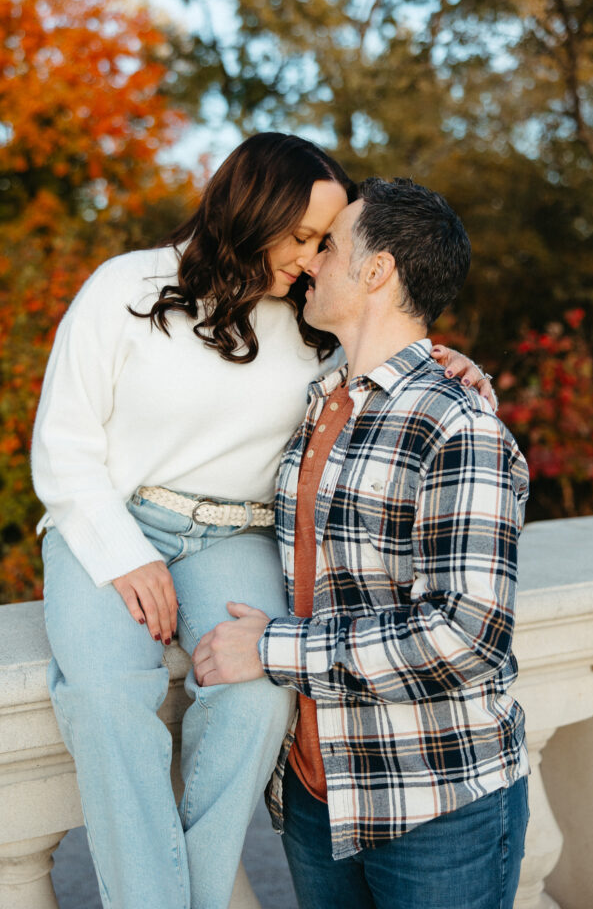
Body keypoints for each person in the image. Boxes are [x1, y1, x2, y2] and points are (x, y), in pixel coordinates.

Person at [32, 135, 493, 909]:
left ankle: (194, 893)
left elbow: (385, 364)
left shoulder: (311, 320)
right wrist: (122, 554)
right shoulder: (124, 286)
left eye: (324, 243)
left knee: (256, 697)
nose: (312, 259)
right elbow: (63, 442)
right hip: (110, 521)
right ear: (254, 211)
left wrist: (451, 364)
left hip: (236, 534)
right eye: (302, 236)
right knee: (108, 702)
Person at [193, 176, 530, 909]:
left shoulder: (456, 423)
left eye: (330, 246)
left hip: (434, 802)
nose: (309, 261)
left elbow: (466, 636)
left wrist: (271, 649)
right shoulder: (317, 399)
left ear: (377, 270)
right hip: (318, 795)